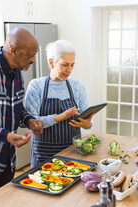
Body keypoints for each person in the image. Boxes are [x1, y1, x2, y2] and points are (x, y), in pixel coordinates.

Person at [0, 27, 44, 200]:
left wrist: (29, 120)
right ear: (14, 50)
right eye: (30, 55)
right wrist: (5, 135)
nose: (33, 60)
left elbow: (17, 108)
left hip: (7, 160)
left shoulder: (17, 71)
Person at [25, 39, 93, 167]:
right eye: (64, 64)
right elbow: (32, 122)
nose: (69, 70)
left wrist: (87, 123)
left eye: (72, 65)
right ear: (51, 62)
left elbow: (86, 116)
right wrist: (58, 118)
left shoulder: (77, 86)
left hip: (72, 151)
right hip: (44, 154)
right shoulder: (36, 86)